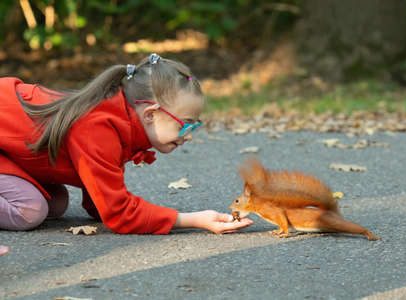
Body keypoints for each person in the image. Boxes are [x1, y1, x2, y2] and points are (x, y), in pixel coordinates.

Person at [0, 53, 253, 253]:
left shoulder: (118, 120)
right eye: (185, 123)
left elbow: (99, 201)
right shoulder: (98, 128)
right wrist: (193, 220)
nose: (188, 135)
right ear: (150, 114)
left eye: (194, 126)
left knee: (56, 203)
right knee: (29, 210)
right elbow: (118, 214)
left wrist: (118, 207)